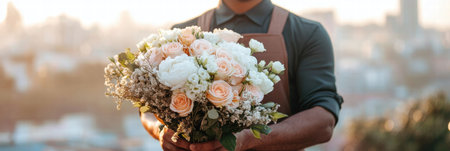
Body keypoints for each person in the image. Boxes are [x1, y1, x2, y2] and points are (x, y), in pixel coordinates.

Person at [140, 0, 344, 150]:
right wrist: (160, 130)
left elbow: (323, 122)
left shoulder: (306, 33)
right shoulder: (180, 36)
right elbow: (147, 109)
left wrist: (250, 138)